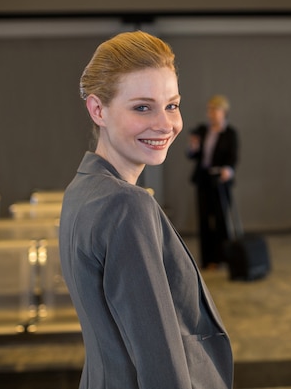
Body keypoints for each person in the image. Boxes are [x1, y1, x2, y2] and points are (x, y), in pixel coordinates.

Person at [59, 31, 233, 389]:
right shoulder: (127, 205)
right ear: (98, 110)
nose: (166, 124)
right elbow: (159, 363)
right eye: (142, 107)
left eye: (171, 105)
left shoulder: (82, 188)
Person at [186, 95, 239, 270]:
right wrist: (193, 146)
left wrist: (228, 171)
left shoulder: (230, 133)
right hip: (203, 179)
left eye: (215, 109)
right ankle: (207, 259)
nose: (211, 113)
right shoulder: (202, 130)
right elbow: (193, 156)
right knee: (204, 219)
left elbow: (233, 158)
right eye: (209, 109)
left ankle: (223, 258)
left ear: (224, 112)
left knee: (221, 219)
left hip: (220, 180)